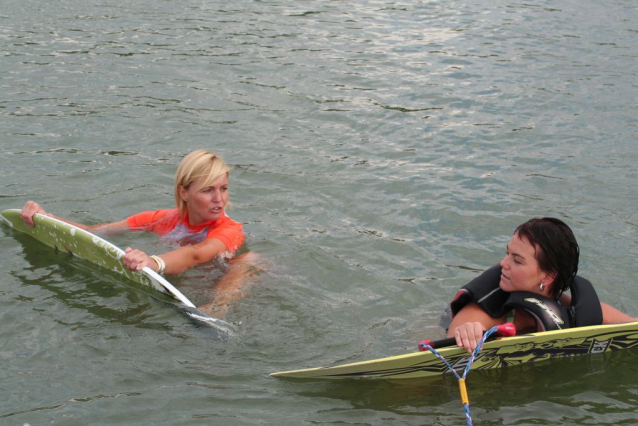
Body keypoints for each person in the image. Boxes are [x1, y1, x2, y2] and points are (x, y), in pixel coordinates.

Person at [20, 149, 255, 317]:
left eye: (223, 189)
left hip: (222, 276)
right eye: (208, 190)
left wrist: (153, 262)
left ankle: (219, 307)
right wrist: (46, 218)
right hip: (182, 274)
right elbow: (95, 232)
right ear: (183, 193)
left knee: (248, 261)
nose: (219, 199)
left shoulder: (230, 229)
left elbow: (196, 254)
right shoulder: (161, 219)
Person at [447, 217, 636, 352]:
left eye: (517, 261)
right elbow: (454, 339)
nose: (503, 263)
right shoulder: (485, 312)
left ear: (547, 277)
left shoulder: (569, 307)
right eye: (507, 253)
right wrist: (466, 334)